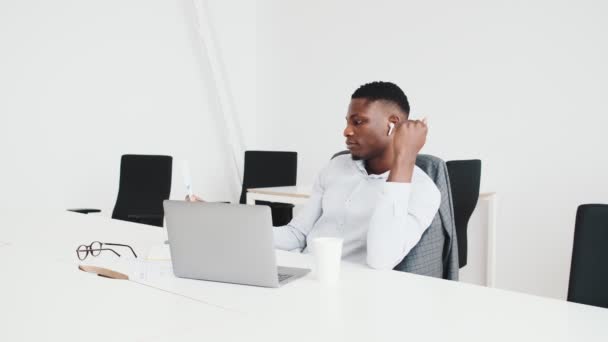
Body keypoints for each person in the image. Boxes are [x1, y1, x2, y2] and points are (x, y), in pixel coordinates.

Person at [192, 81, 440, 270]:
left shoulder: (423, 189)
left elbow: (381, 259)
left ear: (393, 124)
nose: (346, 131)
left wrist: (404, 158)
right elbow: (296, 235)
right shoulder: (336, 168)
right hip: (302, 276)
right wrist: (221, 220)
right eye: (347, 121)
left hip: (354, 294)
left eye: (358, 122)